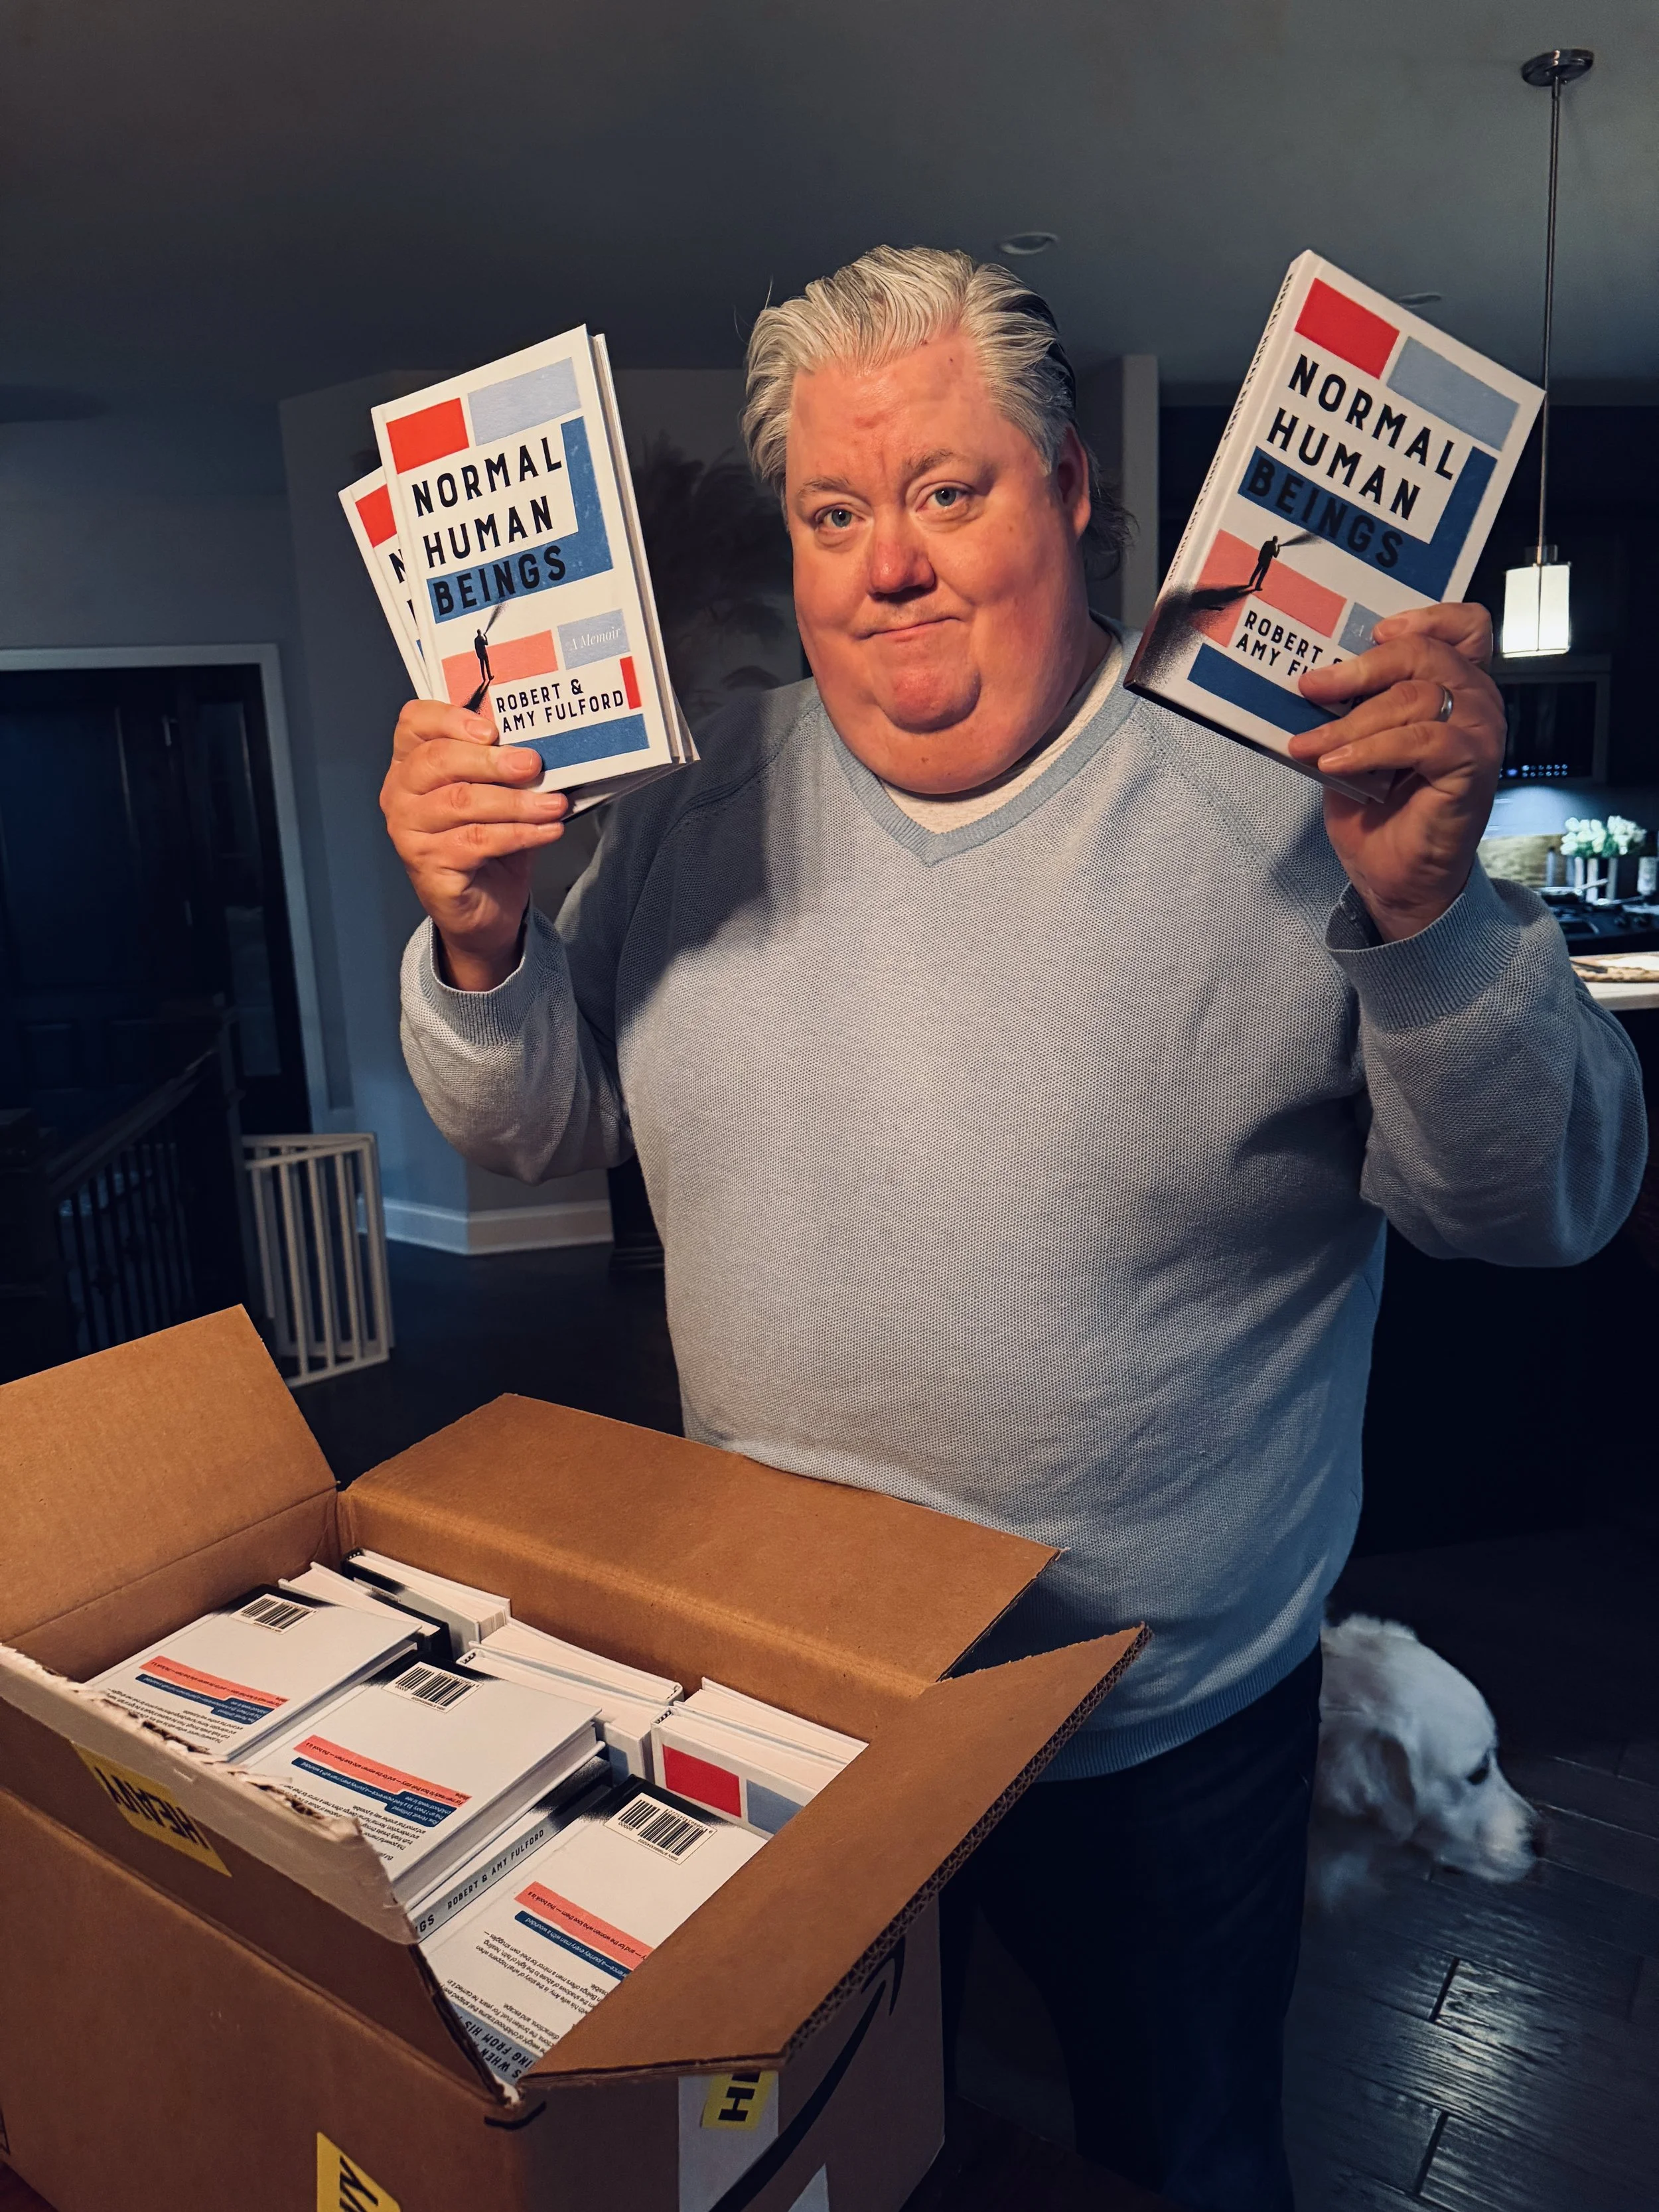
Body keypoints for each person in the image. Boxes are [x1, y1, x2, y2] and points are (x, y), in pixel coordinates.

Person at [381, 247, 1644, 2210]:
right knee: (836, 2157)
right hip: (798, 1711)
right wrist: (481, 942)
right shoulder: (691, 803)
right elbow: (536, 1119)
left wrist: (1432, 917)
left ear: (1066, 487)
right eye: (833, 513)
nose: (887, 562)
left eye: (946, 490)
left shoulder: (1296, 782)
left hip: (1170, 1722)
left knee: (1183, 2161)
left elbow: (1540, 1205)